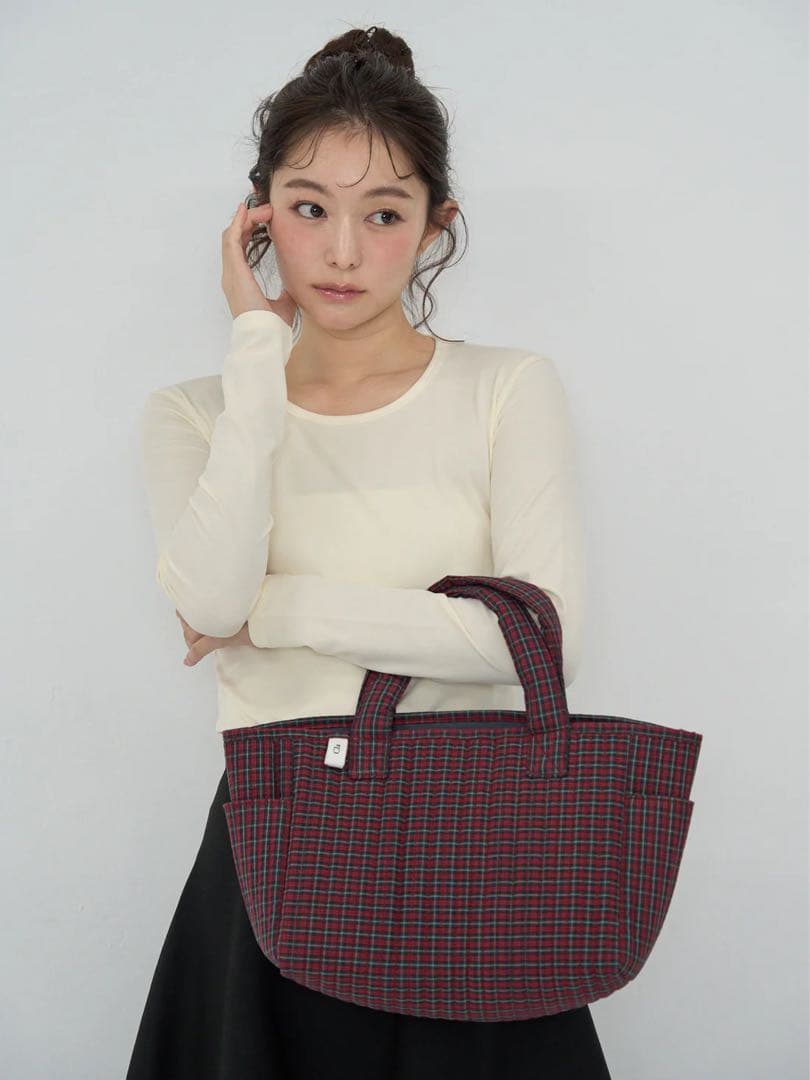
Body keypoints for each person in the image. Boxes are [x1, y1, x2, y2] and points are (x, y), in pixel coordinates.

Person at [126, 24, 612, 1080]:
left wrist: (277, 610)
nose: (342, 252)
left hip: (470, 848)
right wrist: (256, 349)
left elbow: (541, 640)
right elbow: (212, 593)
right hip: (275, 847)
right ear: (258, 220)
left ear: (437, 226)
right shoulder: (196, 413)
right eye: (309, 209)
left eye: (383, 214)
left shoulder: (506, 388)